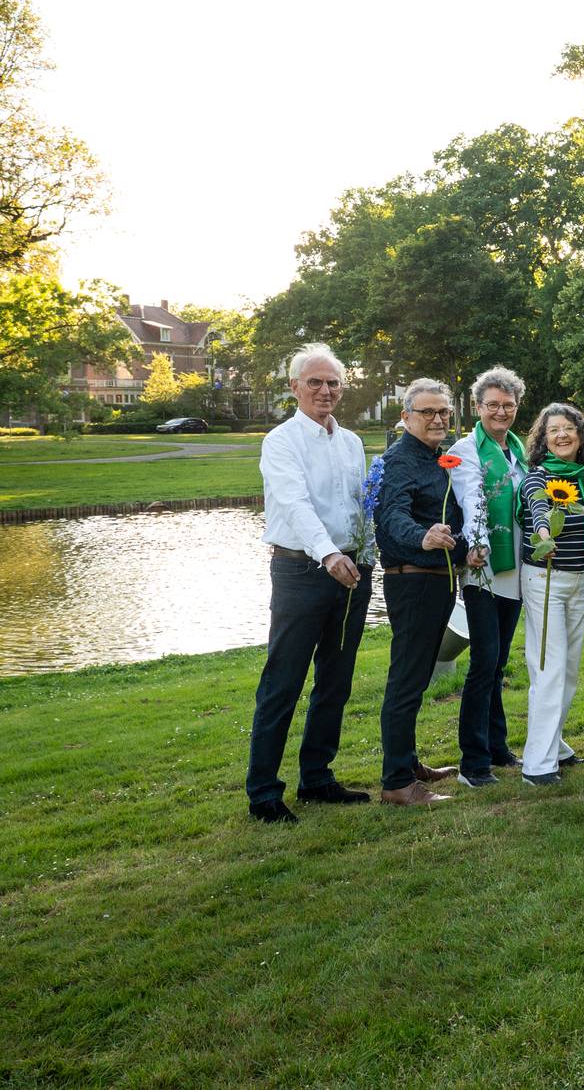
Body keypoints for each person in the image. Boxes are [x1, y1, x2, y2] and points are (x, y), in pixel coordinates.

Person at [246, 343, 374, 823]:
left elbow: (361, 506)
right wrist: (328, 553)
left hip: (352, 572)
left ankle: (317, 778)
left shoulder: (352, 442)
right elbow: (295, 504)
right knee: (283, 683)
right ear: (294, 387)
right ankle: (263, 793)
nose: (325, 390)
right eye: (315, 382)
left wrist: (366, 554)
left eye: (333, 383)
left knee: (335, 681)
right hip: (301, 571)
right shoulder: (281, 441)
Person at [374, 377, 469, 805]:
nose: (437, 419)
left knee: (417, 676)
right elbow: (391, 515)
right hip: (412, 580)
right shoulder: (399, 460)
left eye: (443, 412)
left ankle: (408, 762)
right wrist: (422, 536)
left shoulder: (437, 457)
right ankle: (397, 783)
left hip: (437, 579)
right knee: (407, 679)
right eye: (427, 412)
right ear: (406, 416)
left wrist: (466, 548)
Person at [448, 366, 531, 788]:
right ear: (477, 406)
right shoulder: (466, 450)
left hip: (516, 568)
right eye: (493, 405)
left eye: (508, 405)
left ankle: (498, 748)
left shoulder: (518, 449)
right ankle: (473, 762)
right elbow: (471, 497)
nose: (501, 411)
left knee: (498, 663)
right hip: (483, 569)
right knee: (483, 662)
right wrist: (477, 544)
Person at [518, 403, 584, 785]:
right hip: (545, 579)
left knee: (567, 671)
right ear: (544, 439)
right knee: (548, 669)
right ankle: (537, 766)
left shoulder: (583, 478)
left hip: (579, 580)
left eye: (569, 428)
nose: (562, 435)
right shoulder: (538, 477)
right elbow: (538, 509)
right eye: (553, 430)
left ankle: (555, 745)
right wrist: (544, 536)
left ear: (581, 435)